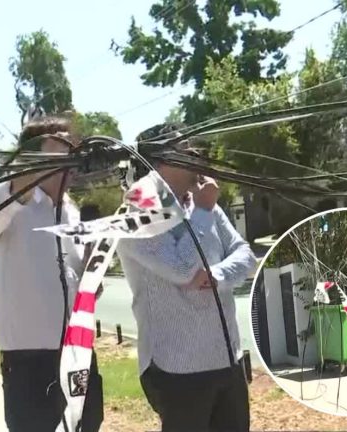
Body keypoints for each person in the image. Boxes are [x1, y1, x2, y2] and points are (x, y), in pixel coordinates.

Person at [116, 122, 257, 432]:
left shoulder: (199, 199)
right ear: (164, 158)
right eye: (189, 150)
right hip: (178, 366)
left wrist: (216, 275)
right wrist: (204, 212)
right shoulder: (138, 207)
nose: (200, 157)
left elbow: (245, 256)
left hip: (227, 360)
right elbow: (182, 271)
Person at [0, 115, 103, 432]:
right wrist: (30, 169)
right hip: (29, 361)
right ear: (32, 160)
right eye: (58, 153)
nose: (69, 163)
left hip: (78, 353)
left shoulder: (72, 211)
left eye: (70, 154)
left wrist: (93, 272)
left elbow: (80, 285)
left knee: (87, 425)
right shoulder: (4, 199)